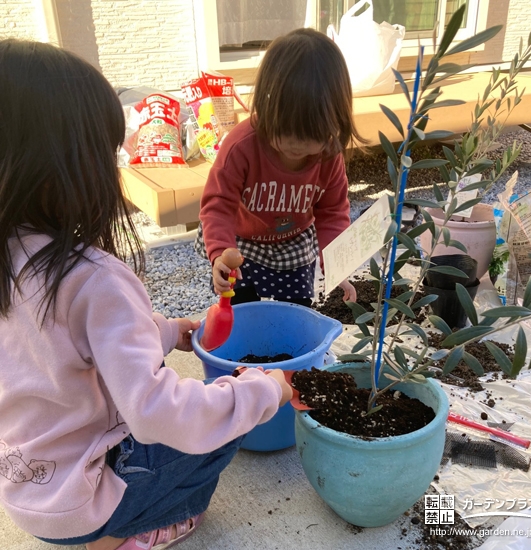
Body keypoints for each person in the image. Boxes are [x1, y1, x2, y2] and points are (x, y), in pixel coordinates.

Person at [0, 39, 292, 550]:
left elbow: (60, 352)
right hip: (88, 502)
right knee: (221, 425)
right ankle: (135, 532)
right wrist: (264, 390)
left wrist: (161, 331)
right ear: (64, 169)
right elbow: (157, 412)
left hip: (26, 494)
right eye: (105, 153)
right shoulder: (92, 277)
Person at [195, 28, 369, 307]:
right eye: (286, 131)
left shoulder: (328, 154)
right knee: (239, 307)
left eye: (312, 135)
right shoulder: (242, 146)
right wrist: (219, 254)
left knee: (296, 308)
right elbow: (218, 205)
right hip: (242, 242)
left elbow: (333, 212)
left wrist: (337, 267)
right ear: (267, 108)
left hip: (294, 242)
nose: (297, 146)